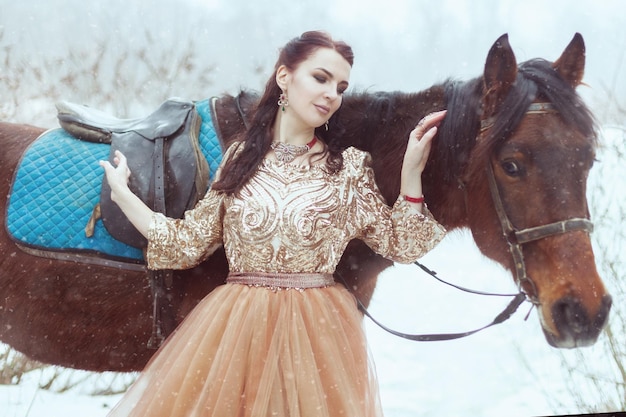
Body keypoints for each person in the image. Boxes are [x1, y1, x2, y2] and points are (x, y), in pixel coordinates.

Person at [101, 30, 446, 417]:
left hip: (316, 338)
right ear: (284, 77)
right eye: (321, 78)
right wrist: (124, 196)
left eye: (341, 86)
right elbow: (188, 243)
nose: (333, 93)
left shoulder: (347, 170)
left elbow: (403, 244)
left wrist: (411, 173)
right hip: (236, 331)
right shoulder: (239, 159)